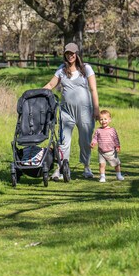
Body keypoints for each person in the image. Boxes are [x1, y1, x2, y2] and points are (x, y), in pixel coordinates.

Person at [43, 42, 100, 179]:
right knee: (63, 141)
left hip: (85, 111)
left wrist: (96, 109)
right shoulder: (61, 70)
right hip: (66, 112)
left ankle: (86, 167)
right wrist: (36, 93)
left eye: (73, 53)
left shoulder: (86, 69)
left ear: (77, 54)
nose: (70, 56)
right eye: (68, 53)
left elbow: (93, 89)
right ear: (65, 54)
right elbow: (51, 84)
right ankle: (61, 169)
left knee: (85, 141)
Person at [91, 109, 124, 182]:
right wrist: (93, 143)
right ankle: (102, 176)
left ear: (109, 120)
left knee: (116, 164)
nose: (103, 121)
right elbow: (95, 138)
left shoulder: (112, 130)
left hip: (111, 151)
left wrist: (117, 146)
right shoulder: (98, 130)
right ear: (99, 121)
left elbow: (116, 139)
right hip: (101, 152)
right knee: (102, 165)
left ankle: (118, 175)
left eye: (105, 119)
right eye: (101, 119)